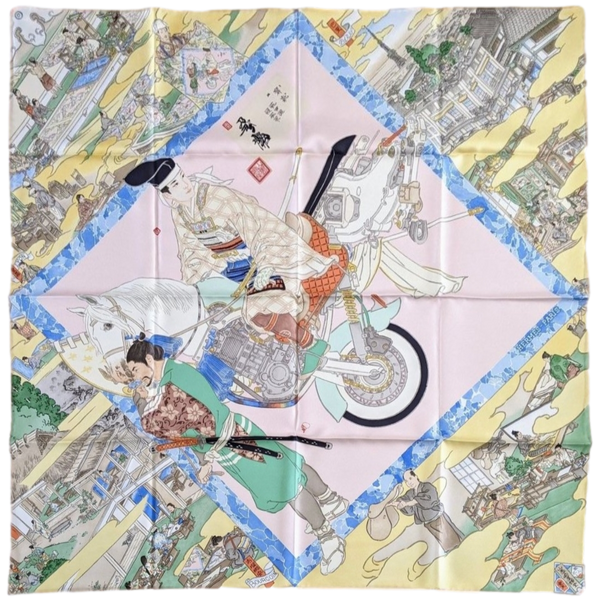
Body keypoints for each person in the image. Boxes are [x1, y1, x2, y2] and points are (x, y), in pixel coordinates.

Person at [125, 336, 347, 575]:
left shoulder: (172, 381)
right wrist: (204, 460)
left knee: (284, 485)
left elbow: (164, 423)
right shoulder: (171, 377)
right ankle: (331, 500)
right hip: (232, 437)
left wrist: (140, 401)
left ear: (149, 359)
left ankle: (329, 538)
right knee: (288, 464)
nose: (135, 377)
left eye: (135, 369)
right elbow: (190, 426)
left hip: (234, 442)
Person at [124, 158, 338, 376]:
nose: (185, 184)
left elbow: (255, 226)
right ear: (168, 195)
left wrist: (265, 264)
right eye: (176, 184)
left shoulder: (216, 197)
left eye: (182, 177)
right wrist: (194, 284)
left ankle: (312, 345)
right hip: (234, 270)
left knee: (258, 312)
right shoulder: (180, 213)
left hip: (263, 254)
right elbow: (190, 250)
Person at [391, 470, 464, 552]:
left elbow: (428, 499)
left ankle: (460, 550)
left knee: (451, 538)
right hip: (428, 523)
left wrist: (408, 503)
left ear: (416, 476)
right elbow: (409, 508)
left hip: (438, 518)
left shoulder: (427, 486)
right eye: (406, 481)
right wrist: (399, 503)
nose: (409, 482)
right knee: (444, 542)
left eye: (410, 478)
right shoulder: (410, 493)